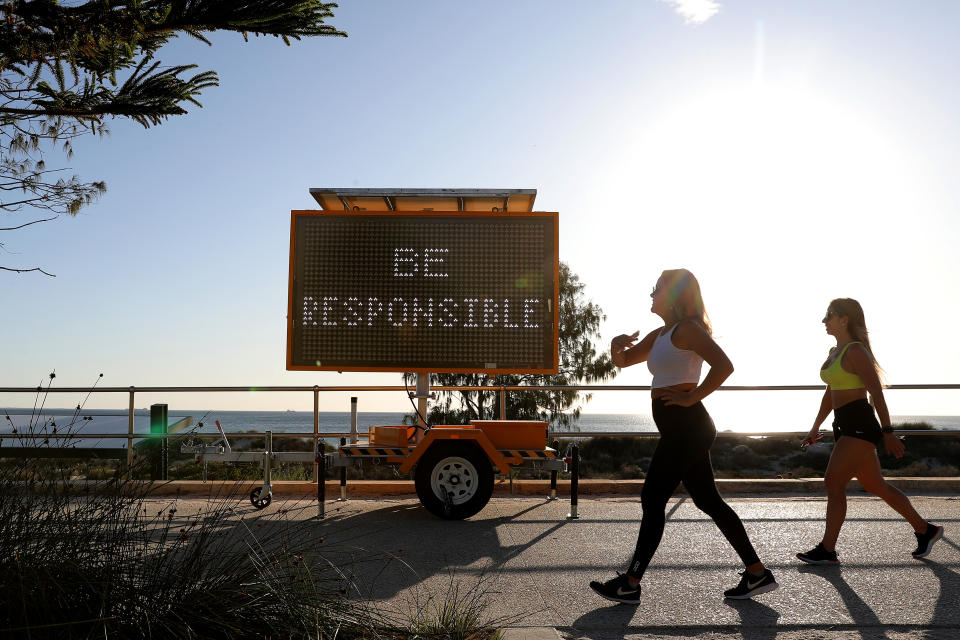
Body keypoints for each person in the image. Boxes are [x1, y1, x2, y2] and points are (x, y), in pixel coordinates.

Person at [589, 269, 778, 605]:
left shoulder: (688, 330)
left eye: (657, 288)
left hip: (688, 428)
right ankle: (757, 573)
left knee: (652, 497)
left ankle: (630, 583)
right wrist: (615, 347)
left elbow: (724, 365)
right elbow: (625, 361)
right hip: (682, 429)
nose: (651, 293)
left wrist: (693, 397)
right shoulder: (660, 334)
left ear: (674, 297)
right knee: (708, 501)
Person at [797, 298, 943, 564]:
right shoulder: (835, 352)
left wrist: (887, 432)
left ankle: (827, 549)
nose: (824, 320)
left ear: (845, 320)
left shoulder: (855, 351)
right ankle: (926, 530)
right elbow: (831, 392)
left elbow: (876, 391)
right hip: (843, 425)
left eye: (829, 315)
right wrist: (815, 425)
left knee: (833, 482)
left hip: (861, 425)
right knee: (875, 484)